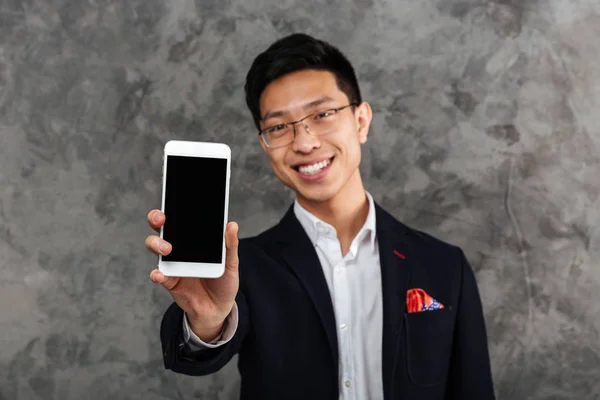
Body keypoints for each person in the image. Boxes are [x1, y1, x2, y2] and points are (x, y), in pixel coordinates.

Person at [145, 33, 495, 400]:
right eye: (279, 126)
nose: (305, 142)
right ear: (265, 143)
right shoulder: (242, 267)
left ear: (361, 120)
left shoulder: (443, 265)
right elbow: (193, 355)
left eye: (323, 114)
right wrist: (207, 320)